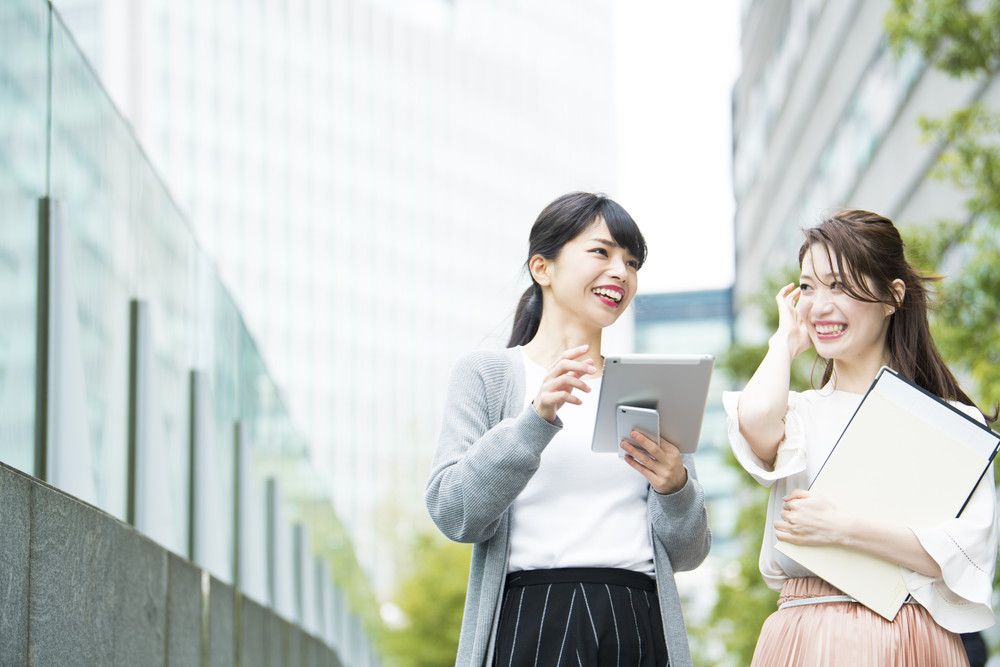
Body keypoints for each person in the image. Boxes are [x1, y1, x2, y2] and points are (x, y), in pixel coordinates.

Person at [425, 192, 710, 667]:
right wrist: (534, 421)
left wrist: (676, 486)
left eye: (632, 262)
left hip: (638, 620)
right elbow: (454, 513)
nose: (621, 272)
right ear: (542, 267)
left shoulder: (649, 386)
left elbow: (689, 554)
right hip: (535, 619)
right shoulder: (488, 375)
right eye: (601, 252)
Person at [724, 209, 998, 666]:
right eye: (808, 287)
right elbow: (754, 420)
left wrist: (842, 529)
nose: (819, 306)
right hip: (806, 631)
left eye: (839, 286)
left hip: (913, 635)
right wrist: (784, 342)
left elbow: (964, 555)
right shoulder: (799, 415)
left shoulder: (952, 423)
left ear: (892, 296)